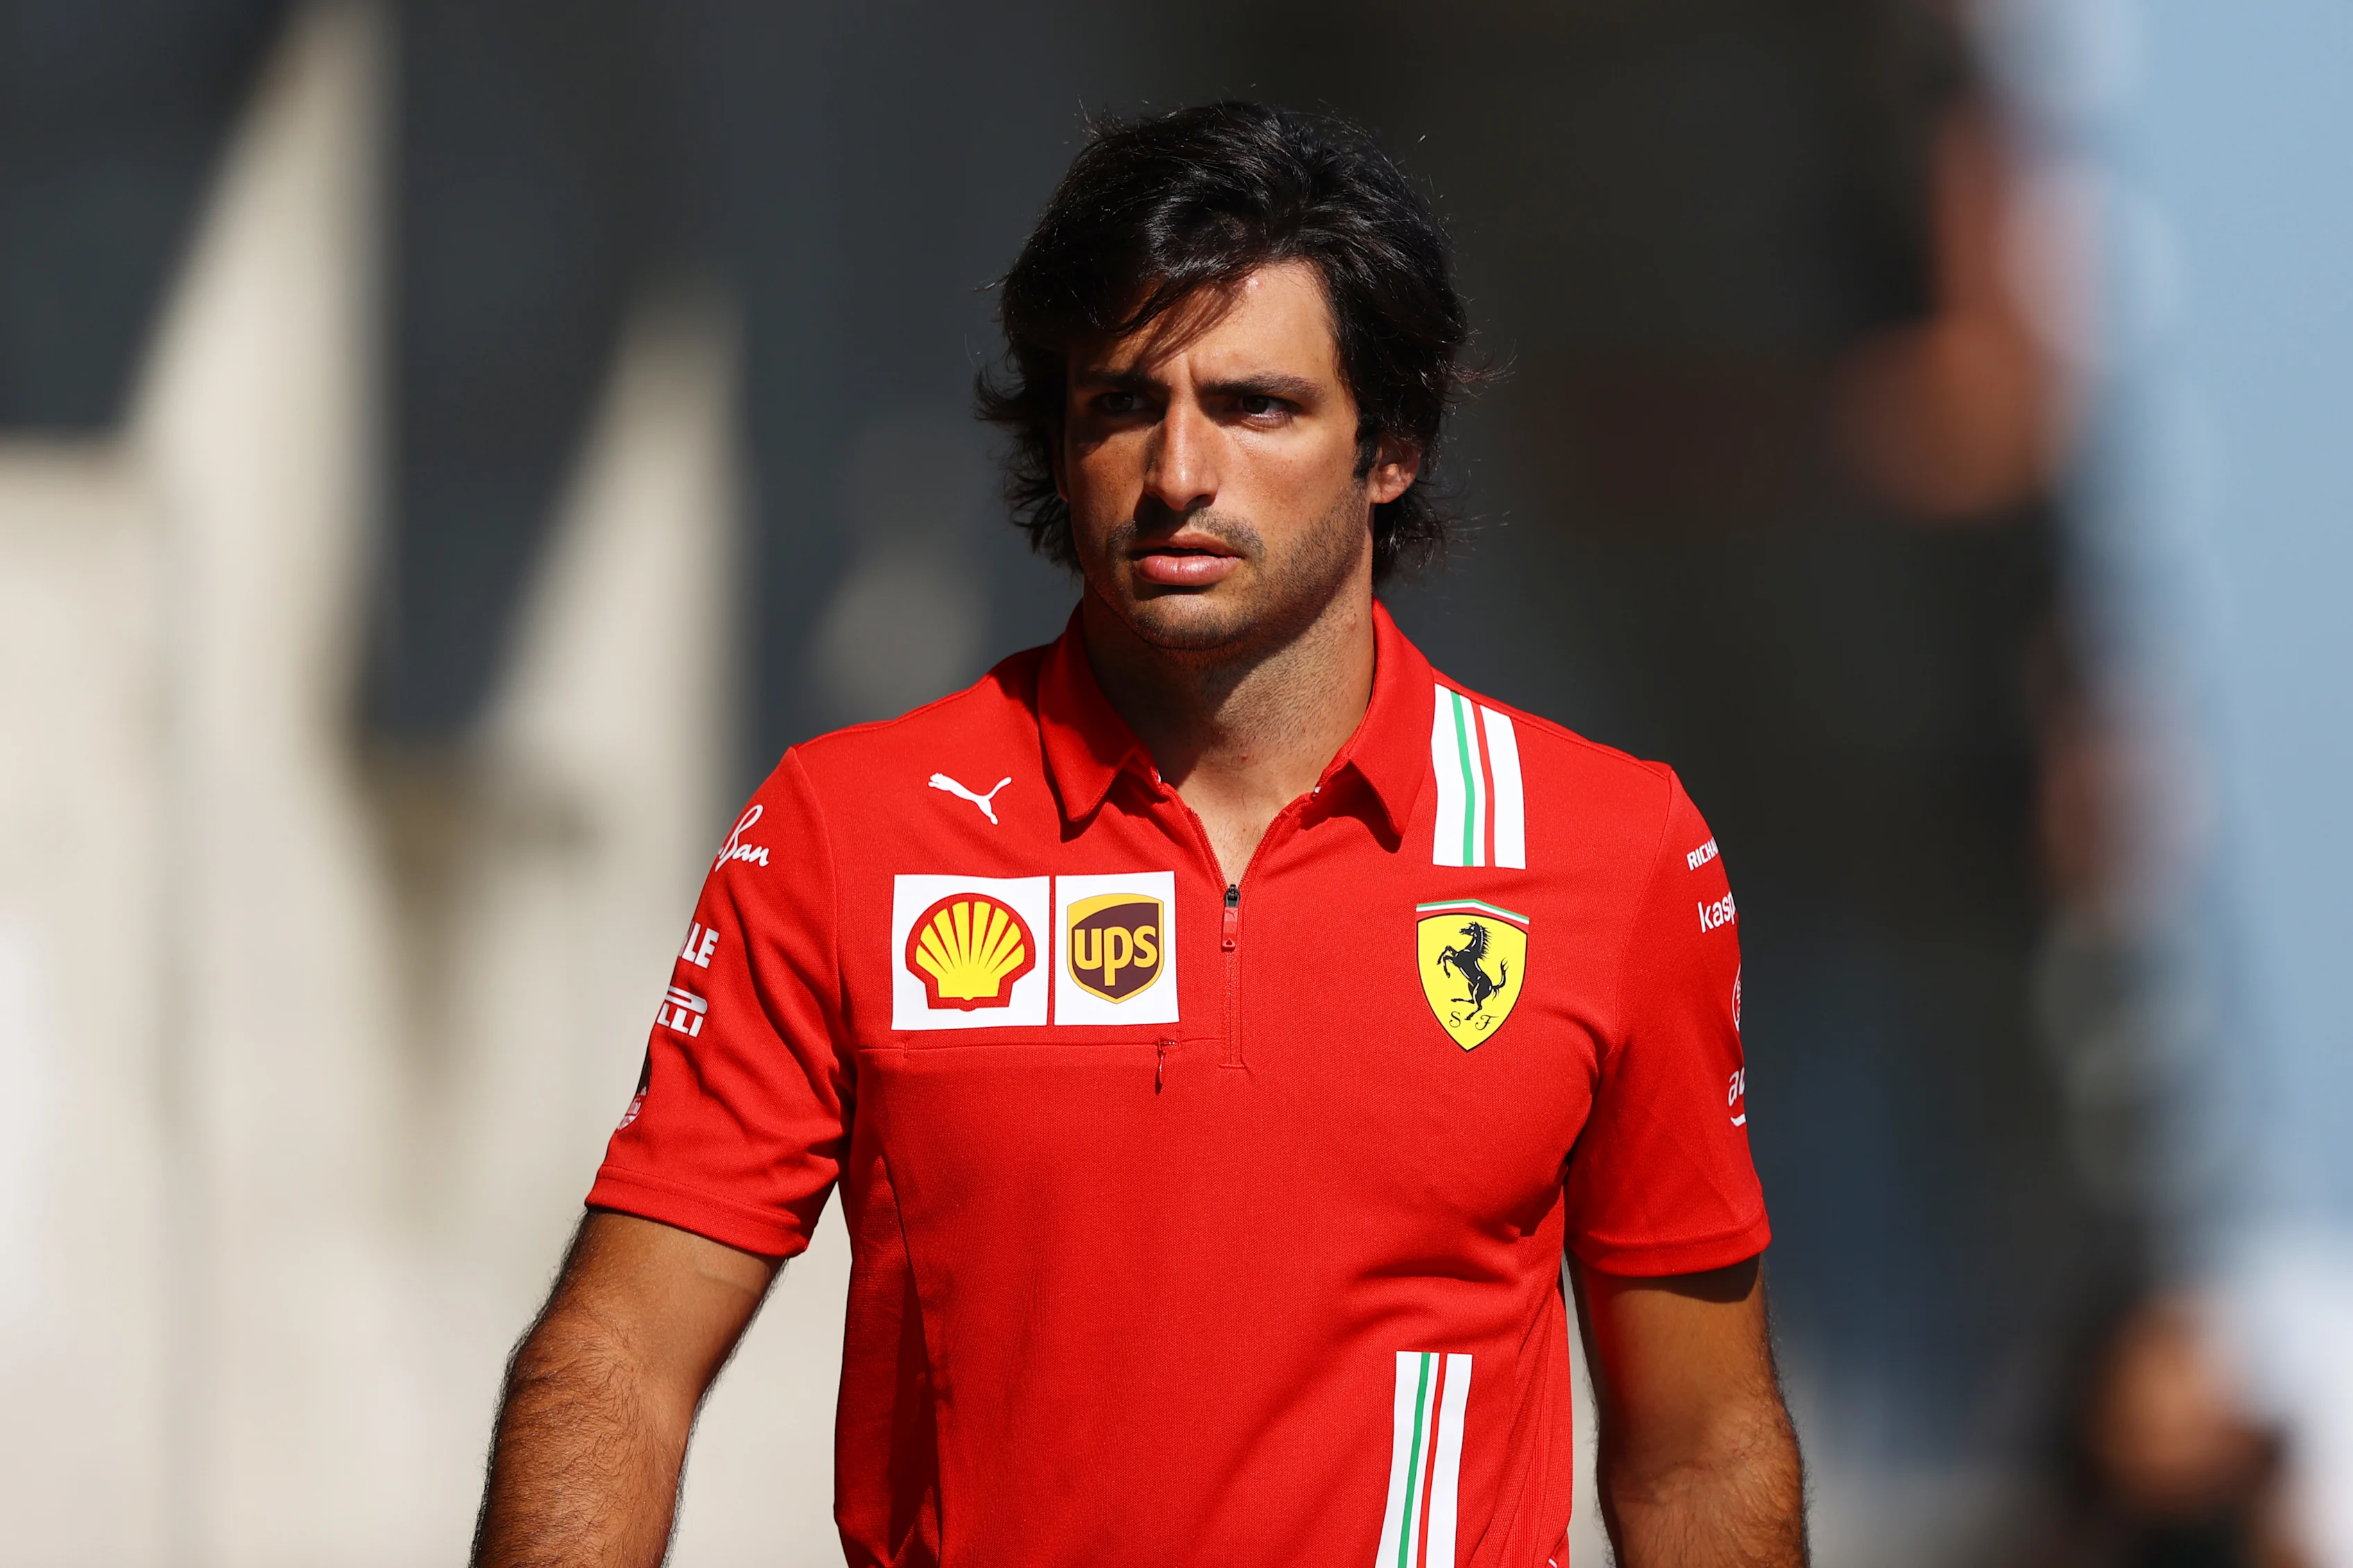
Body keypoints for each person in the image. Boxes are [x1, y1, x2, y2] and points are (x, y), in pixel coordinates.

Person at [473, 101, 1804, 1568]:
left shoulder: (1610, 850)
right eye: (1121, 404)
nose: (1179, 472)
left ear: (1392, 444)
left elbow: (1698, 1449)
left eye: (1255, 406)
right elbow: (618, 1355)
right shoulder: (849, 830)